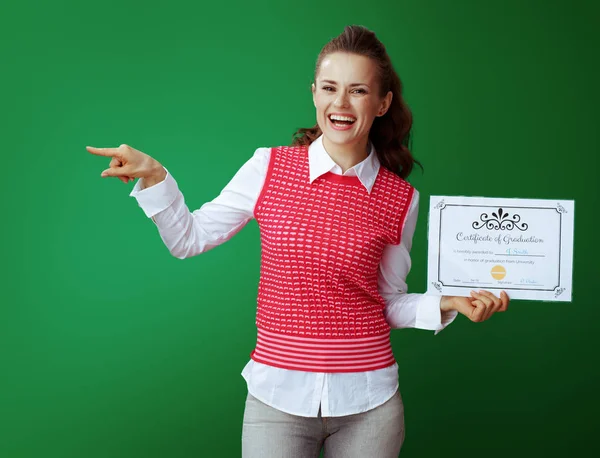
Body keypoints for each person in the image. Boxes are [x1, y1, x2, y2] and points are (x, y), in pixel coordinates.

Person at [88, 25, 509, 458]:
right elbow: (189, 239)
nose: (341, 104)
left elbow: (385, 301)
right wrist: (157, 178)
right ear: (314, 93)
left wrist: (448, 303)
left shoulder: (401, 199)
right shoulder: (267, 168)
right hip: (277, 402)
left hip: (370, 405)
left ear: (382, 103)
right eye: (330, 88)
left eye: (358, 91)